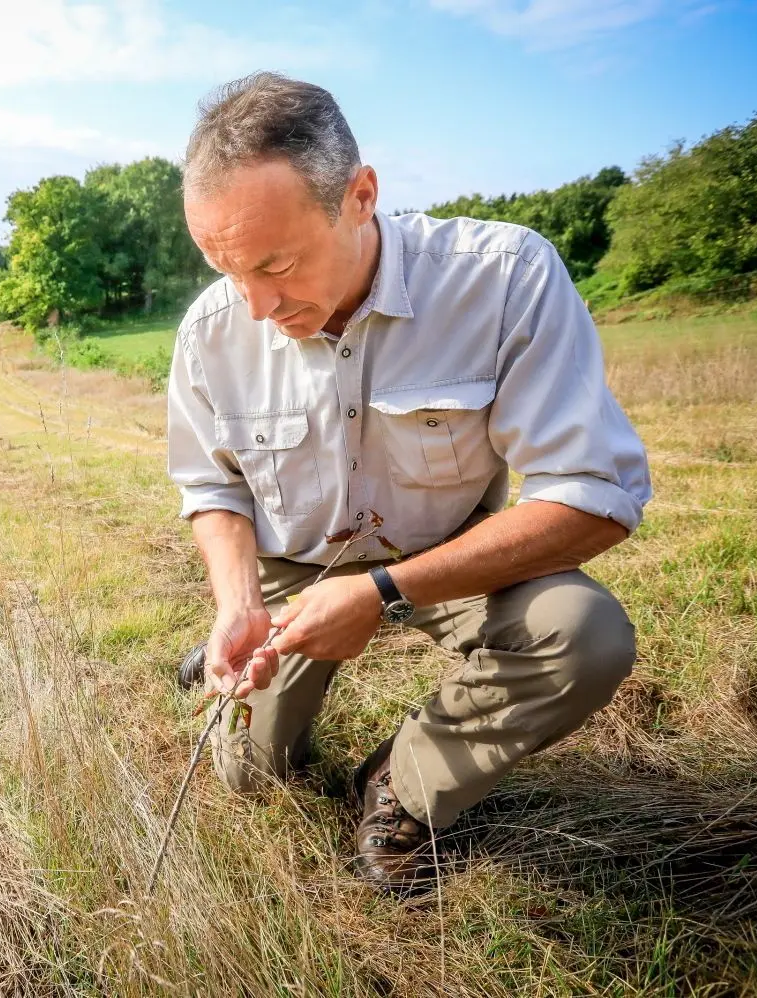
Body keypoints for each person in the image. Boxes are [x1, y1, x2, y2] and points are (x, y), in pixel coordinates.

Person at [166, 72, 651, 895]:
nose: (252, 307)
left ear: (360, 196)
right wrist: (236, 603)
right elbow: (214, 489)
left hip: (450, 554)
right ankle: (249, 637)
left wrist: (382, 593)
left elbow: (594, 494)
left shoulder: (503, 279)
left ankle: (404, 783)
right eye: (225, 268)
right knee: (252, 778)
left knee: (585, 633)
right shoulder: (214, 329)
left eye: (277, 264)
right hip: (297, 562)